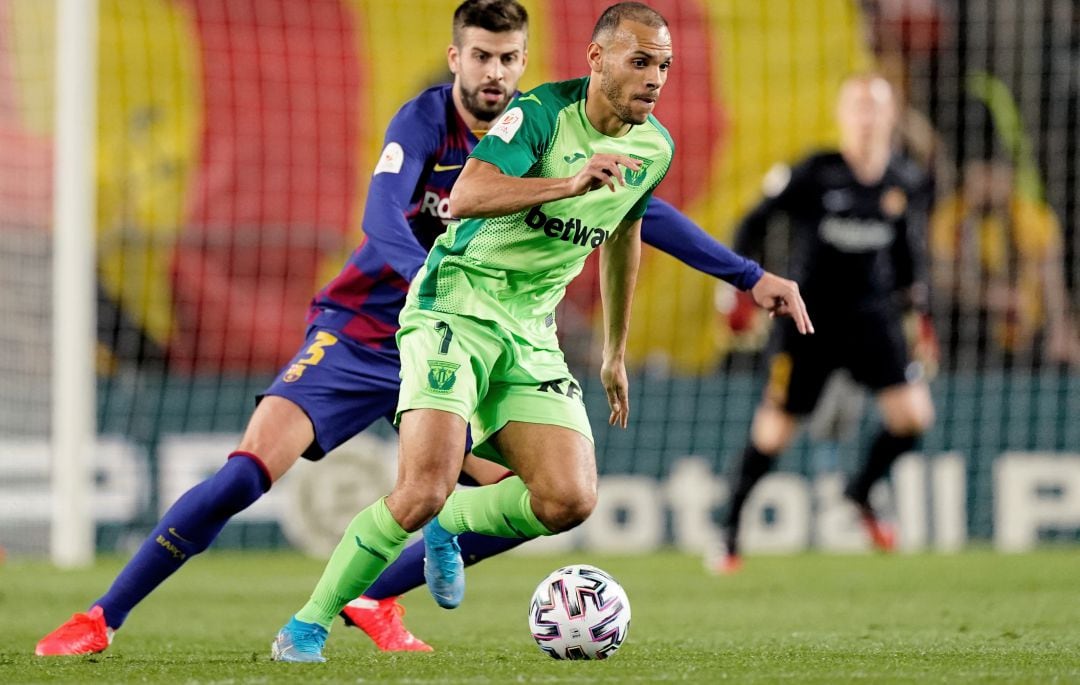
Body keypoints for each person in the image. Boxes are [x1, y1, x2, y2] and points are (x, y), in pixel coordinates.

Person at [36, 0, 805, 658]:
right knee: (247, 473)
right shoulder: (430, 121)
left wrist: (746, 276)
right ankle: (103, 614)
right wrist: (437, 289)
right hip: (374, 329)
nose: (495, 74)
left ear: (528, 61)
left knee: (546, 495)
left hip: (478, 331)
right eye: (482, 57)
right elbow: (380, 216)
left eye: (509, 58)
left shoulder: (554, 130)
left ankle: (373, 597)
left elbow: (643, 212)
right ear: (456, 58)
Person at [709, 73, 936, 575]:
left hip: (873, 319)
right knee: (773, 434)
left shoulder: (905, 178)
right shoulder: (815, 171)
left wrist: (920, 312)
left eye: (876, 106)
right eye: (857, 105)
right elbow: (753, 221)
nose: (867, 116)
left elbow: (908, 253)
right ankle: (728, 531)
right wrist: (740, 287)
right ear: (842, 116)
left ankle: (860, 490)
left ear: (891, 115)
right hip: (807, 319)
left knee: (914, 418)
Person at [929, 158, 1080, 369]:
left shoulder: (1033, 217)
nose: (987, 185)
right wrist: (992, 297)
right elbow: (941, 278)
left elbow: (1053, 281)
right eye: (980, 175)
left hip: (1029, 328)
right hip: (971, 327)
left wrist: (1061, 329)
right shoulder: (951, 216)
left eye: (993, 175)